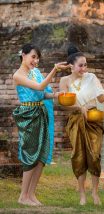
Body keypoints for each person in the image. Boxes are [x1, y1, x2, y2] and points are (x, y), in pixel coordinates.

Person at [59, 46, 104, 205]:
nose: (84, 68)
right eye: (80, 65)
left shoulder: (91, 77)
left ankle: (94, 193)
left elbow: (100, 98)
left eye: (85, 65)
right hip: (76, 121)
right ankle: (82, 195)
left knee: (94, 156)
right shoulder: (64, 81)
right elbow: (64, 104)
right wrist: (80, 108)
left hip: (94, 119)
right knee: (79, 157)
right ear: (71, 66)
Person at [12, 43, 69, 206]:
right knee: (31, 154)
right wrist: (54, 70)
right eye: (33, 57)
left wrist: (56, 95)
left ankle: (31, 194)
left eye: (37, 58)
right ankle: (23, 196)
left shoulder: (35, 72)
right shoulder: (18, 75)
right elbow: (39, 86)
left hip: (40, 113)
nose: (36, 61)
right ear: (23, 55)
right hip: (28, 116)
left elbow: (42, 93)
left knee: (42, 156)